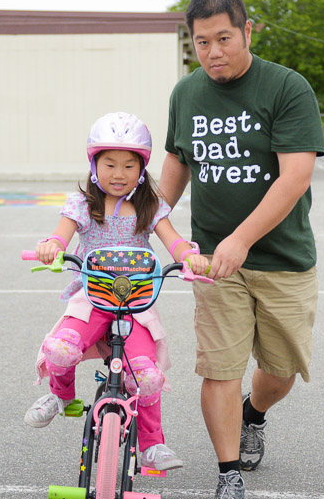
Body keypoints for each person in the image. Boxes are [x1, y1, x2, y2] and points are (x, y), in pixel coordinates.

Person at [158, 0, 324, 499]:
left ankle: (256, 413)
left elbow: (295, 174)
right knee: (220, 369)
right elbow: (177, 166)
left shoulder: (286, 87)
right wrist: (136, 222)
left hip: (281, 258)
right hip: (211, 262)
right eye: (201, 42)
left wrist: (242, 240)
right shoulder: (186, 94)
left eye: (223, 39)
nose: (212, 52)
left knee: (279, 373)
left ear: (247, 32)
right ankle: (228, 478)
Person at [24, 111, 209, 472]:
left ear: (141, 170)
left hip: (135, 303)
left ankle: (152, 445)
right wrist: (51, 245)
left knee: (147, 375)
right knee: (61, 349)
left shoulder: (150, 205)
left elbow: (174, 241)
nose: (119, 174)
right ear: (94, 165)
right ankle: (60, 396)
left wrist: (189, 257)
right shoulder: (81, 205)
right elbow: (60, 235)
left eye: (129, 165)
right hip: (91, 297)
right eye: (110, 164)